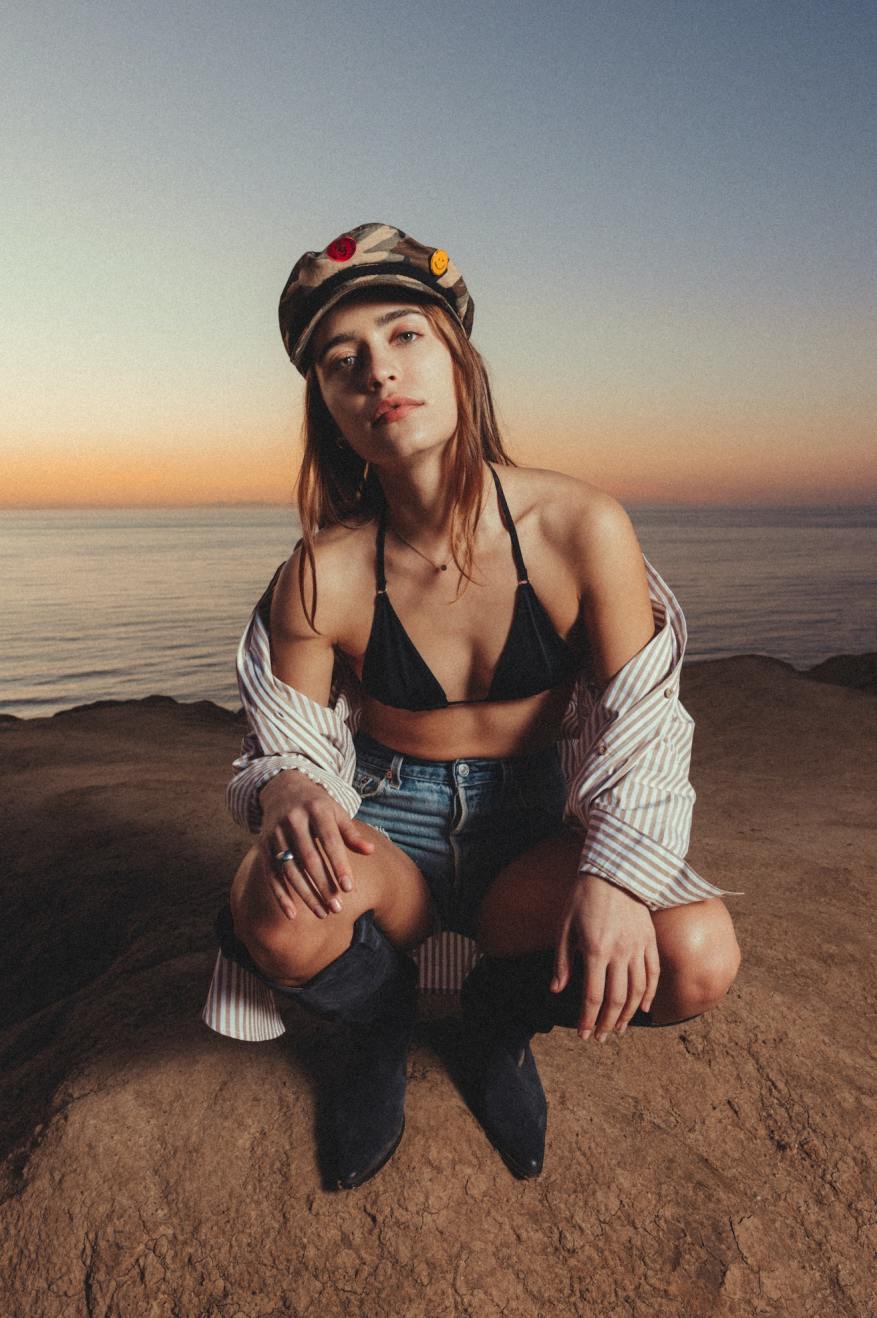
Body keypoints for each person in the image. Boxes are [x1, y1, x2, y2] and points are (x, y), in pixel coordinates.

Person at [210, 222, 741, 1190]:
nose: (378, 371)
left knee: (698, 955)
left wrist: (617, 876)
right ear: (326, 402)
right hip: (388, 828)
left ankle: (495, 1027)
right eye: (342, 360)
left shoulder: (580, 525)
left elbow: (644, 721)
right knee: (274, 914)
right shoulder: (322, 572)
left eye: (405, 335)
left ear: (459, 360)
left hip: (529, 832)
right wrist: (289, 786)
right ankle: (379, 1027)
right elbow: (285, 740)